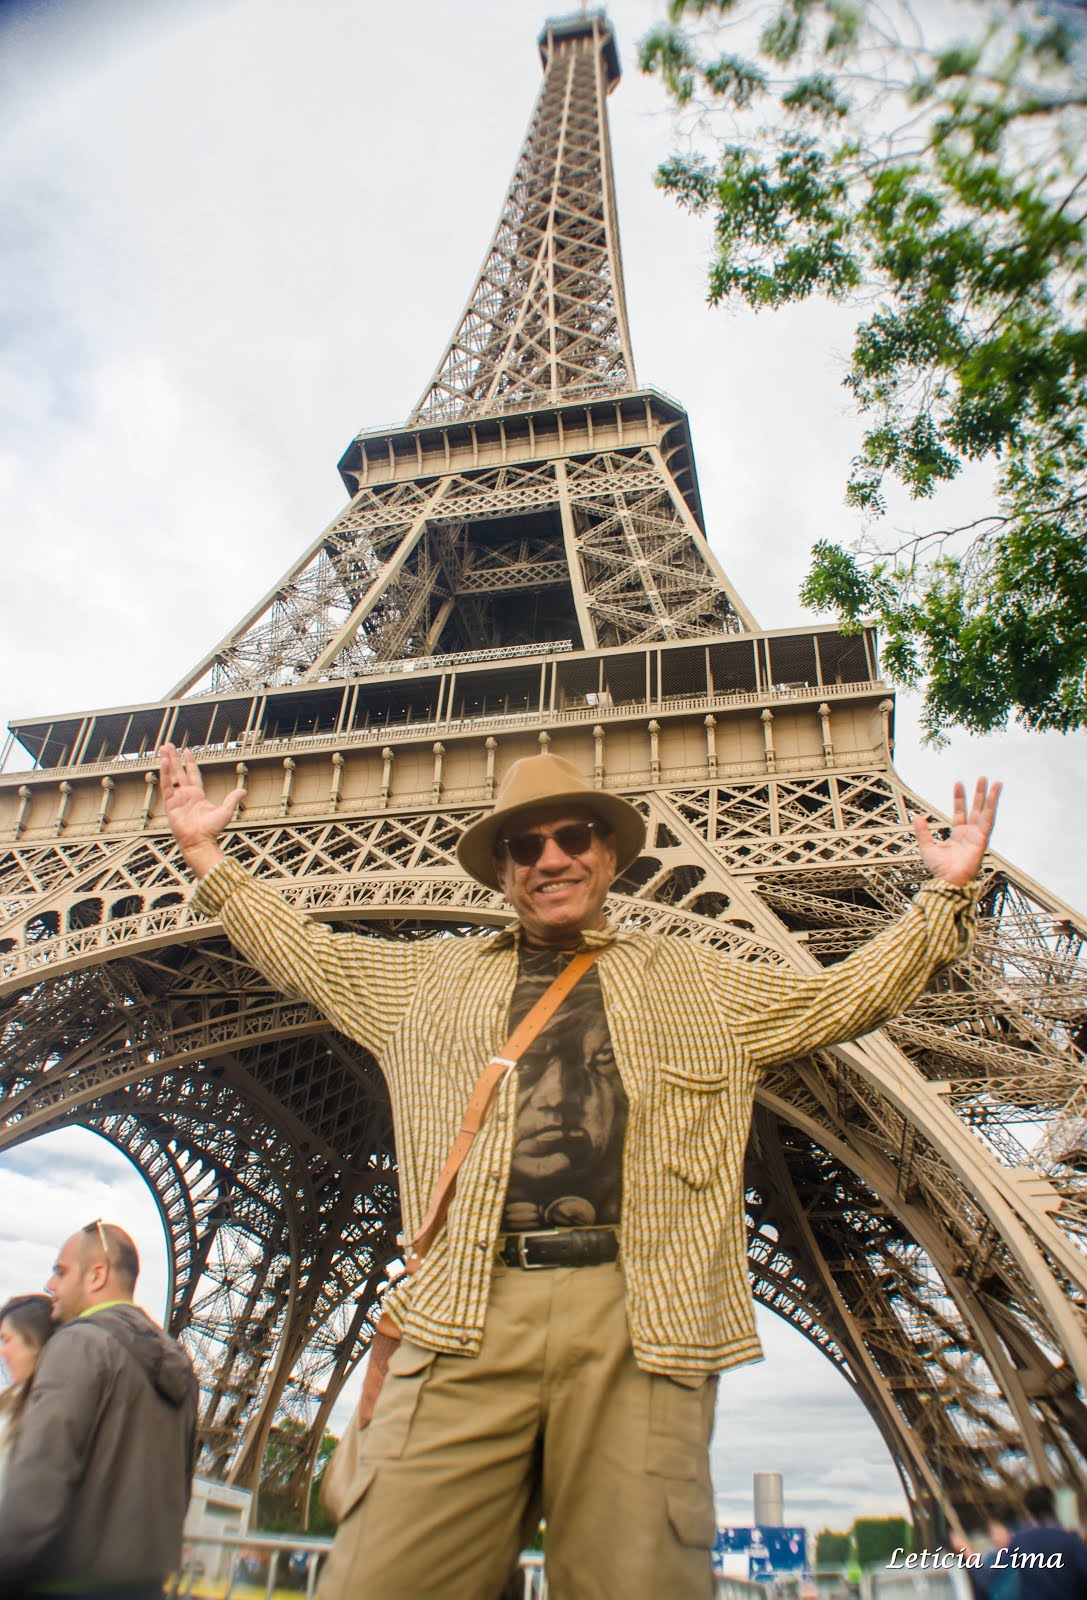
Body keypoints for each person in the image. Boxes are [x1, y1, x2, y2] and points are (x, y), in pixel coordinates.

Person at [158, 741, 1000, 1600]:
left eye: (571, 838)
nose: (550, 858)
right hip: (461, 1312)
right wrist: (205, 858)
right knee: (379, 1578)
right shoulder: (422, 980)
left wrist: (943, 895)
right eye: (525, 846)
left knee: (633, 1581)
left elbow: (840, 998)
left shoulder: (699, 982)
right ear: (501, 870)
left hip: (639, 1315)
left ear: (608, 854)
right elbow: (308, 953)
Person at [0, 1221, 199, 1599]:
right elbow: (182, 1485)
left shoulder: (78, 1344)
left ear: (97, 1275)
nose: (50, 1285)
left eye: (60, 1271)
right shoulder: (181, 1366)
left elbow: (41, 1478)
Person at [0, 1294, 54, 1495]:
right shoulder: (11, 1399)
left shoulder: (50, 1412)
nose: (1, 1352)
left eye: (6, 1340)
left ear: (34, 1344)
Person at [1006, 1484, 1087, 1600]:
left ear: (1028, 1511)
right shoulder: (1069, 1539)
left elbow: (1004, 1579)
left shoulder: (1017, 1542)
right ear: (1052, 1506)